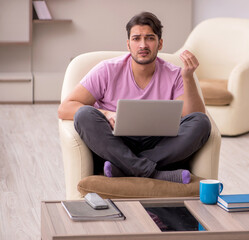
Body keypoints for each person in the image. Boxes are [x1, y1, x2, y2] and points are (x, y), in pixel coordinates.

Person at [58, 12, 211, 184]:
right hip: (116, 141)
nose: (143, 45)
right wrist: (107, 114)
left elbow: (194, 114)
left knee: (201, 122)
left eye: (150, 38)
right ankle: (153, 173)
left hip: (159, 144)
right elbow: (65, 108)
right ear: (128, 44)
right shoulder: (107, 70)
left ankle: (124, 168)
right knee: (84, 115)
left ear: (160, 44)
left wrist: (188, 77)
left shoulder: (175, 74)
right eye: (136, 38)